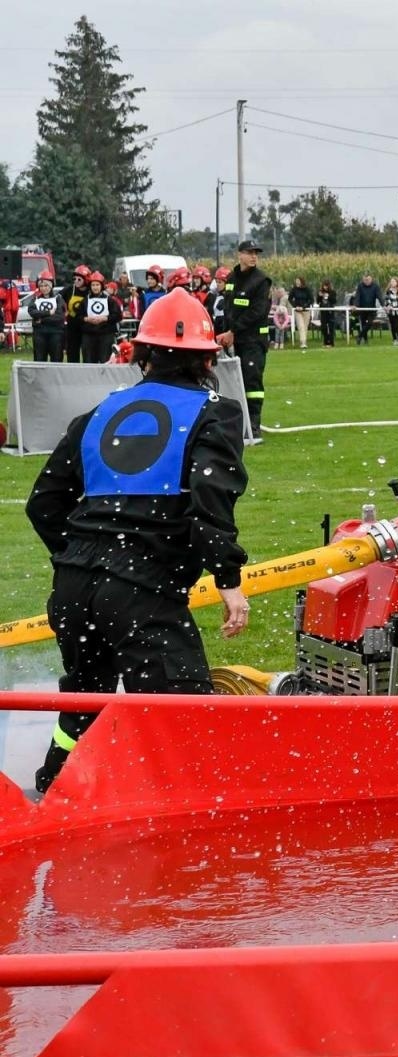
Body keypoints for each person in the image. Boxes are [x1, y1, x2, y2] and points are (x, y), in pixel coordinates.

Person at [25, 290, 250, 794]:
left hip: (74, 587)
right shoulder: (217, 412)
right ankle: (177, 822)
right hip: (140, 590)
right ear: (208, 357)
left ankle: (50, 795)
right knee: (180, 711)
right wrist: (228, 578)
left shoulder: (100, 413)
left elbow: (43, 504)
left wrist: (80, 557)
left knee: (85, 699)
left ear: (140, 353)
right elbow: (212, 497)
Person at [216, 238, 273, 443]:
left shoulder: (261, 281)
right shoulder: (231, 278)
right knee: (233, 382)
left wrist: (233, 331)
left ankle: (254, 425)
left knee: (252, 383)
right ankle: (239, 423)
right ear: (239, 254)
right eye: (249, 252)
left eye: (256, 253)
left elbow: (258, 312)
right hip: (235, 339)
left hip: (254, 340)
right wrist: (225, 333)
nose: (253, 256)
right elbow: (229, 309)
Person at [75, 272, 121, 363]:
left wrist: (105, 318)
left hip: (106, 334)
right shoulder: (85, 301)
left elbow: (118, 315)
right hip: (89, 335)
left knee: (106, 361)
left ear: (101, 286)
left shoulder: (110, 300)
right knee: (89, 361)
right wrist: (86, 319)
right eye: (93, 285)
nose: (95, 287)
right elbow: (78, 316)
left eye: (97, 285)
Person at [26, 275, 67, 362]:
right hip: (40, 333)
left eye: (46, 286)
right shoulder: (35, 299)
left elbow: (59, 317)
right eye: (41, 286)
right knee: (39, 359)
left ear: (51, 286)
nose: (43, 288)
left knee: (56, 359)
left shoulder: (58, 299)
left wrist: (41, 319)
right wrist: (48, 313)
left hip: (56, 333)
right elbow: (32, 312)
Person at [352, 273, 381, 344]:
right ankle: (365, 340)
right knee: (363, 324)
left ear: (371, 279)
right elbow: (357, 296)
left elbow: (379, 296)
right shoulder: (360, 286)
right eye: (365, 280)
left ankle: (359, 336)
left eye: (368, 280)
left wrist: (384, 305)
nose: (366, 281)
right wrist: (355, 305)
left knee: (370, 323)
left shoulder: (375, 286)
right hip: (362, 309)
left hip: (372, 309)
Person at [288, 276, 314, 350]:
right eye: (296, 281)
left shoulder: (307, 289)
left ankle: (304, 341)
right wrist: (295, 306)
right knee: (301, 326)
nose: (297, 282)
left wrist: (304, 306)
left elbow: (311, 300)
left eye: (298, 281)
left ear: (301, 282)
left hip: (306, 310)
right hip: (297, 310)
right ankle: (303, 342)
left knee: (305, 327)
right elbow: (290, 299)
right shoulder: (294, 290)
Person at [316, 279, 338, 348]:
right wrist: (320, 296)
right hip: (323, 312)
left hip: (330, 311)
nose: (325, 287)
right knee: (324, 328)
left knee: (331, 328)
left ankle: (331, 343)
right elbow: (318, 301)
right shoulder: (320, 292)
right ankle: (325, 342)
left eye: (326, 286)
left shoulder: (332, 292)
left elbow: (334, 301)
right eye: (324, 286)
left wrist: (328, 296)